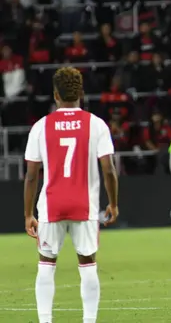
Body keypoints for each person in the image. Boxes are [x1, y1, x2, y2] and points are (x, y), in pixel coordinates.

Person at [23, 67, 119, 323]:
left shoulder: (41, 127)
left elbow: (32, 175)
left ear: (55, 94)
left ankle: (45, 320)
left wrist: (27, 214)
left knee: (46, 264)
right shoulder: (96, 124)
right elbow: (109, 170)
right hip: (84, 206)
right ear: (81, 93)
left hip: (51, 205)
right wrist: (113, 203)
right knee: (87, 265)